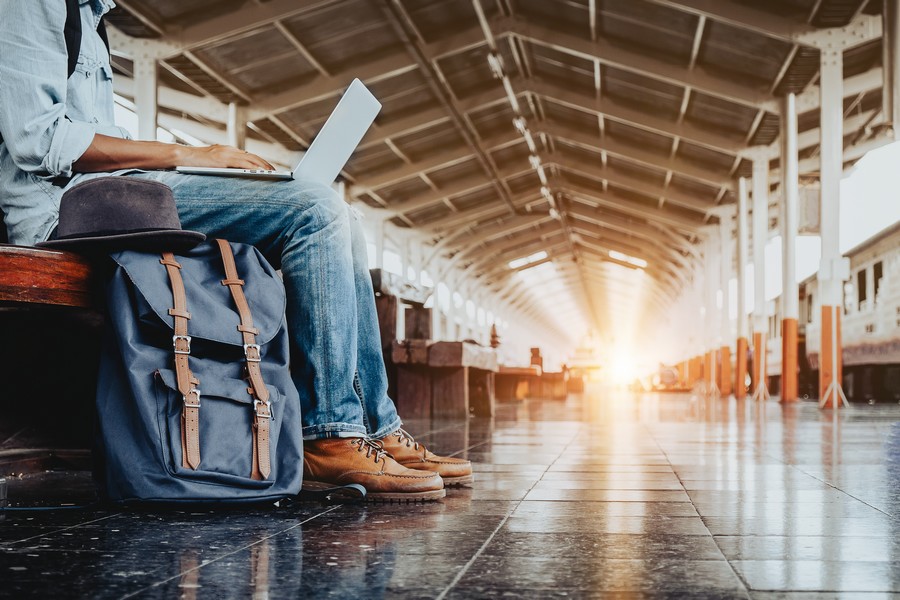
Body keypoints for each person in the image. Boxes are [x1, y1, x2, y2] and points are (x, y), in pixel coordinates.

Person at [0, 0, 472, 502]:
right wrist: (189, 155)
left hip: (116, 190)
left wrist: (201, 170)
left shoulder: (89, 17)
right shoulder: (32, 3)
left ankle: (376, 427)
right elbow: (38, 139)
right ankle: (329, 435)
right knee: (313, 211)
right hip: (67, 209)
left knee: (341, 216)